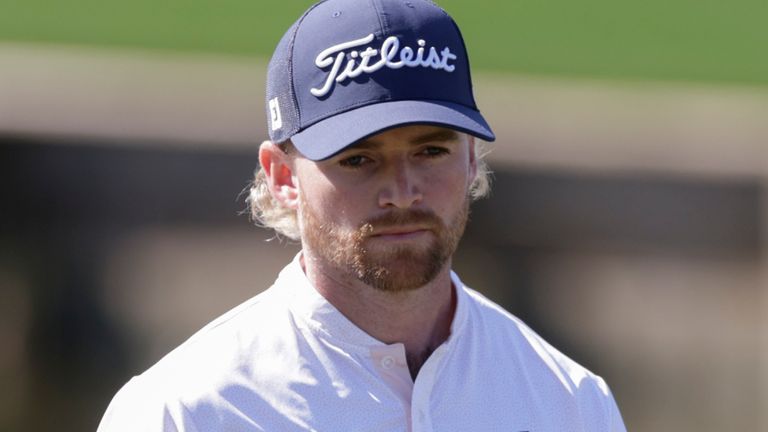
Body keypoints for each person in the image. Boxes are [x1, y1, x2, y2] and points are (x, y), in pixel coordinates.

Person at [98, 0, 627, 430]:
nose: (402, 192)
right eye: (358, 159)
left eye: (430, 151)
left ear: (470, 158)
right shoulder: (184, 410)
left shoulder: (570, 403)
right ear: (283, 177)